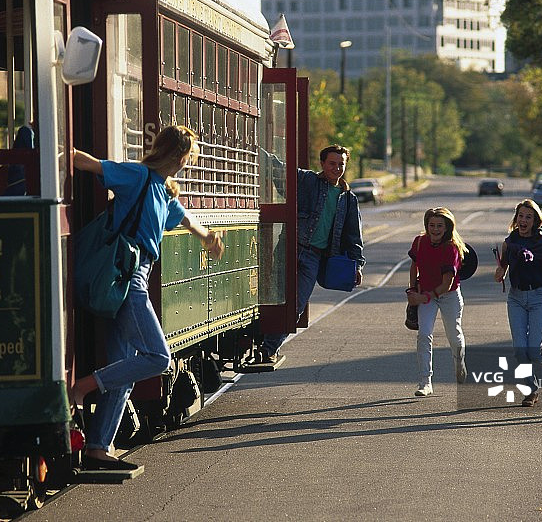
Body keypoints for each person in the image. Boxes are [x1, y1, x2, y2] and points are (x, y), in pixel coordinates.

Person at [70, 125, 224, 470]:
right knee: (157, 357)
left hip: (136, 274)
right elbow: (88, 163)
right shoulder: (137, 176)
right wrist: (52, 141)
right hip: (127, 277)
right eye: (189, 157)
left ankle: (98, 448)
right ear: (179, 155)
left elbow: (184, 219)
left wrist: (208, 238)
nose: (189, 163)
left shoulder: (163, 190)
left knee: (123, 367)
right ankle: (82, 387)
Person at [257, 144, 365, 363]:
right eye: (332, 164)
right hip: (288, 248)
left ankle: (268, 349)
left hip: (315, 257)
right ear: (322, 164)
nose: (336, 168)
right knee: (272, 297)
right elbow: (279, 170)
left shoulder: (348, 199)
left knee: (295, 306)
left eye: (340, 164)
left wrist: (358, 265)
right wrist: (255, 149)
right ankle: (262, 346)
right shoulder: (307, 181)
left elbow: (354, 235)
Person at [494, 199, 542, 407]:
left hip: (538, 297)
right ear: (516, 219)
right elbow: (502, 268)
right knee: (519, 349)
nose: (523, 220)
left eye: (528, 217)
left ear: (535, 220)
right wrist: (499, 273)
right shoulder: (510, 241)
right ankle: (530, 391)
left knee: (534, 350)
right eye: (520, 216)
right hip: (515, 298)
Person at [405, 207, 468, 396]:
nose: (435, 229)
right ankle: (425, 382)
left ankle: (459, 361)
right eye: (431, 225)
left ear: (448, 227)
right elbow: (414, 266)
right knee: (424, 335)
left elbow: (447, 284)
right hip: (425, 292)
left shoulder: (452, 248)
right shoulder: (419, 242)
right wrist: (413, 290)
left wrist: (423, 297)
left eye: (440, 225)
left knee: (454, 335)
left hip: (448, 295)